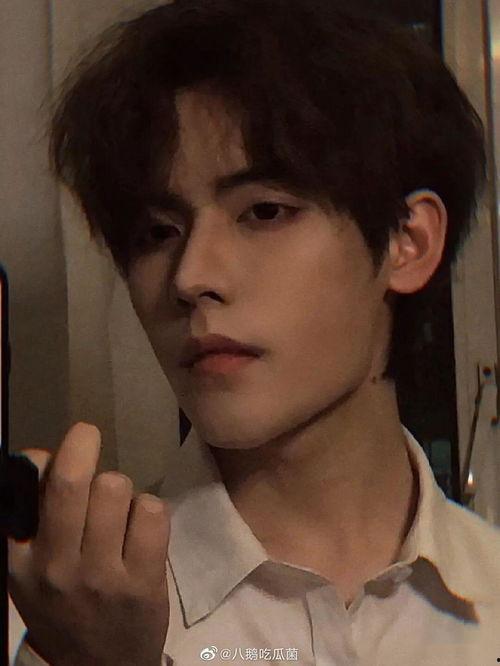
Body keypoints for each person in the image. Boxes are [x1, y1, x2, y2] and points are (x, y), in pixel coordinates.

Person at [8, 0, 500, 664]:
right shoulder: (50, 619)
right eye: (157, 233)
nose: (190, 277)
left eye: (264, 212)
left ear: (406, 243)